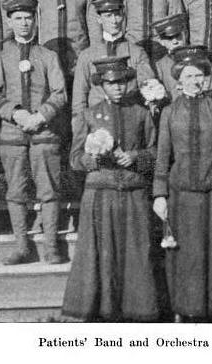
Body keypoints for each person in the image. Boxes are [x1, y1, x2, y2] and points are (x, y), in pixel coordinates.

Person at [63, 55, 158, 321]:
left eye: (122, 82)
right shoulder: (89, 115)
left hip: (132, 192)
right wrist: (94, 158)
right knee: (100, 253)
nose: (117, 88)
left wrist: (136, 157)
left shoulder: (141, 113)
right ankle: (101, 309)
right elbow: (74, 158)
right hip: (100, 193)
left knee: (135, 250)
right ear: (101, 85)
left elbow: (156, 151)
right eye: (111, 83)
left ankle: (137, 310)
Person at [153, 45, 212, 322]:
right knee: (184, 254)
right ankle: (183, 309)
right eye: (188, 76)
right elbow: (163, 155)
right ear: (179, 79)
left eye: (199, 75)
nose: (195, 81)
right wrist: (160, 194)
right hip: (182, 195)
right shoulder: (169, 112)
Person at [0, 0, 67, 265]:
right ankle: (21, 247)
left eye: (28, 18)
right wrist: (15, 112)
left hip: (44, 133)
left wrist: (40, 116)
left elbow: (59, 93)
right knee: (15, 191)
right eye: (18, 18)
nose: (24, 23)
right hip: (12, 134)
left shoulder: (48, 56)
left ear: (36, 20)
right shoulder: (1, 57)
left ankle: (51, 247)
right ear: (9, 22)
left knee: (49, 191)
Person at [72, 0, 153, 117]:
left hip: (129, 117)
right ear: (99, 19)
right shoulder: (87, 55)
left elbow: (148, 90)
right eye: (108, 16)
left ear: (123, 16)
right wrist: (81, 124)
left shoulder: (136, 52)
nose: (114, 21)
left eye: (117, 15)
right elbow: (79, 99)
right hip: (97, 120)